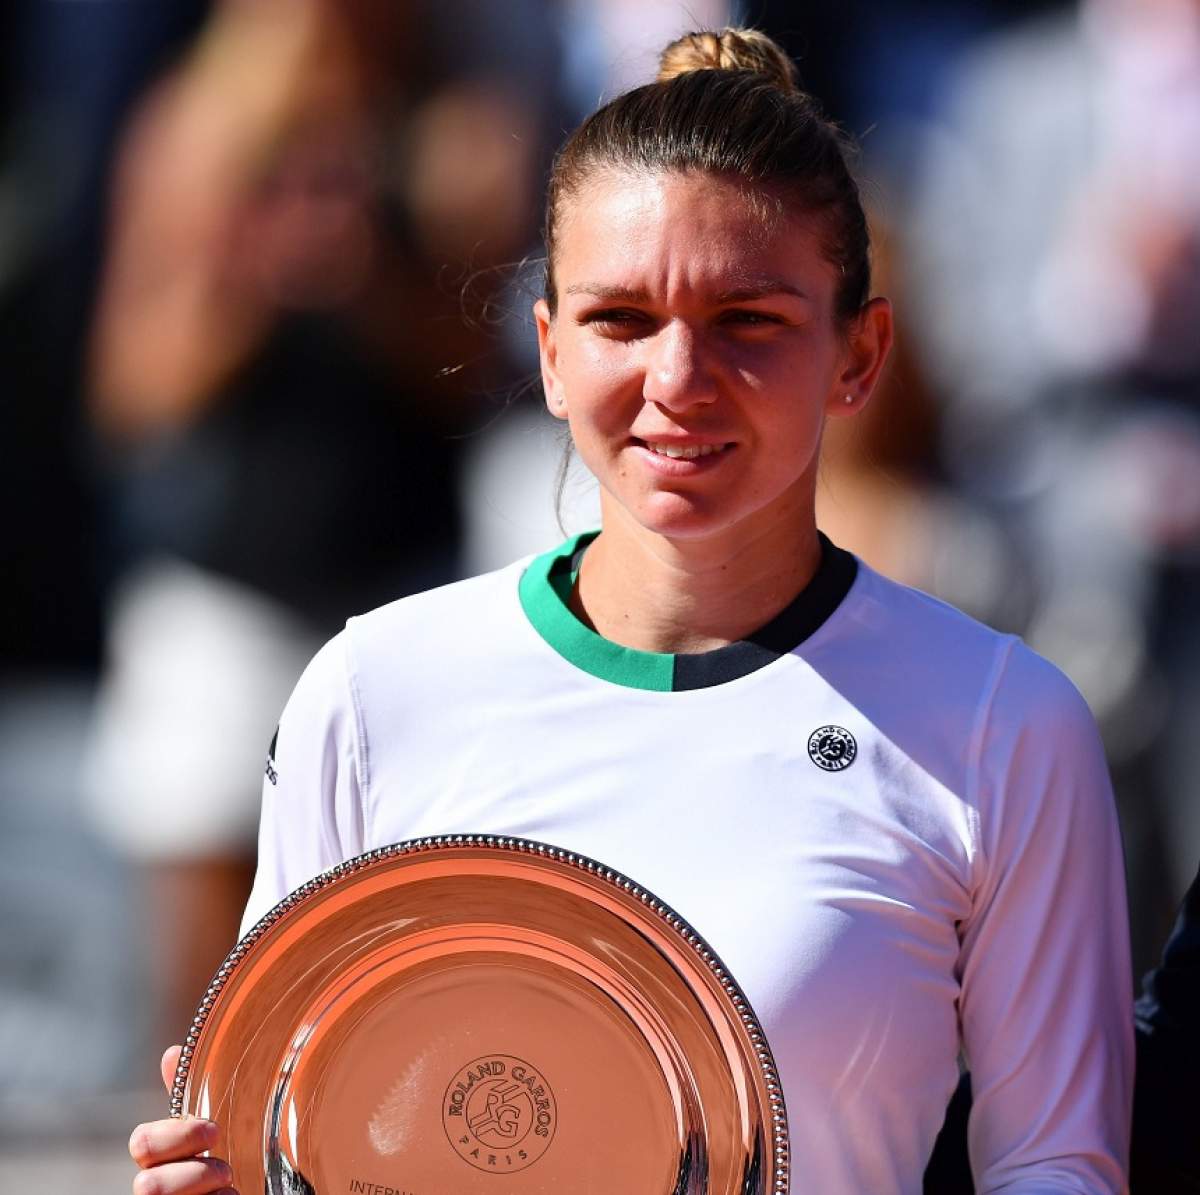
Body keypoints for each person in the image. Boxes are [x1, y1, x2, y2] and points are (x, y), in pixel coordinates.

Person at [127, 28, 1133, 1195]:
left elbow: (1056, 1165)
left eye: (748, 320)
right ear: (549, 353)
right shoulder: (371, 692)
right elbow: (286, 1135)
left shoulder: (1004, 722)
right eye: (620, 320)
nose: (676, 379)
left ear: (860, 354)